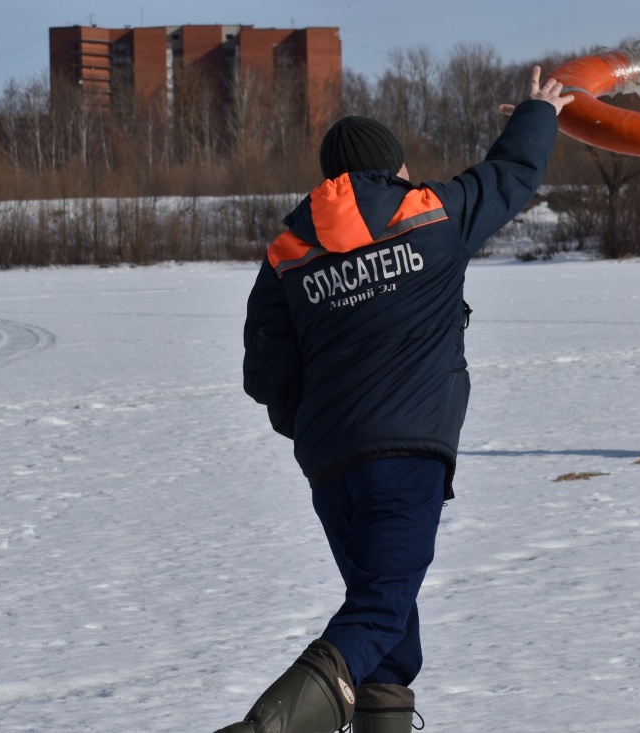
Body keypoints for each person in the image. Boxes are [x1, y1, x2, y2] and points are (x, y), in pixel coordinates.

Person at [216, 67, 573, 733]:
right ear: (396, 166)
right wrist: (537, 110)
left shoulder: (289, 249)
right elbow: (512, 174)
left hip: (331, 465)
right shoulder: (433, 213)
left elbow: (265, 372)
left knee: (386, 613)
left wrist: (313, 425)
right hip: (406, 453)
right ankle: (268, 728)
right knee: (381, 604)